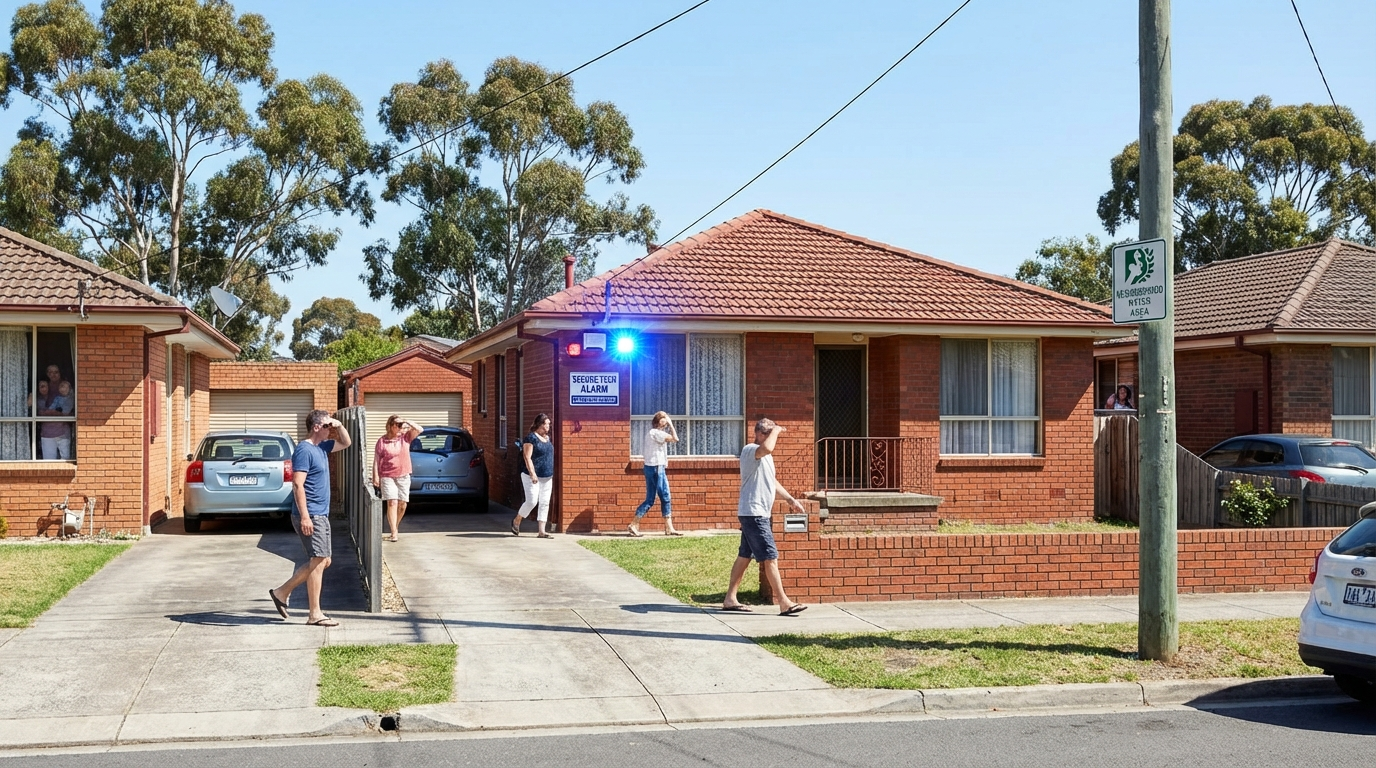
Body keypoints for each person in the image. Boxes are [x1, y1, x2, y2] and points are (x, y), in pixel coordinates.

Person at [269, 409, 351, 627]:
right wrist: (305, 517)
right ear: (316, 427)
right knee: (318, 560)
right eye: (326, 426)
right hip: (311, 514)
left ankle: (281, 592)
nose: (329, 430)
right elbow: (298, 484)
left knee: (324, 560)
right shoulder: (304, 450)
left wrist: (337, 425)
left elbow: (346, 443)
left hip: (320, 513)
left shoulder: (322, 447)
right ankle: (314, 614)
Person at [722, 417, 806, 616]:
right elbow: (767, 448)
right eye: (767, 434)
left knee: (744, 556)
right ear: (758, 434)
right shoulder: (750, 450)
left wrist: (790, 500)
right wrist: (777, 430)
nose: (771, 438)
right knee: (770, 557)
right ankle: (784, 603)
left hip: (757, 513)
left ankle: (730, 599)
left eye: (771, 434)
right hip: (754, 513)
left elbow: (772, 481)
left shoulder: (766, 456)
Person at [628, 411, 681, 537]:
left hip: (649, 467)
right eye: (664, 418)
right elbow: (675, 439)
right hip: (657, 467)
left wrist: (667, 422)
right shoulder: (656, 433)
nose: (666, 420)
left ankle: (635, 524)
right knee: (665, 496)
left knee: (650, 499)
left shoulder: (653, 433)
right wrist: (671, 424)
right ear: (659, 420)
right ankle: (668, 528)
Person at [372, 414, 421, 542]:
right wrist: (375, 476)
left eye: (401, 425)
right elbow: (377, 459)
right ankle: (394, 532)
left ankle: (396, 526)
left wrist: (406, 421)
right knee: (392, 502)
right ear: (390, 426)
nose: (400, 427)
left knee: (402, 504)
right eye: (397, 425)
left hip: (403, 475)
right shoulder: (382, 441)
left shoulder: (405, 438)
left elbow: (420, 429)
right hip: (387, 475)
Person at [512, 413, 554, 538]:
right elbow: (527, 457)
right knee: (532, 501)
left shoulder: (547, 438)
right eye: (547, 424)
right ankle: (517, 520)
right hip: (531, 476)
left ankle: (542, 531)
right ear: (540, 424)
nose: (548, 426)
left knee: (545, 502)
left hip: (547, 476)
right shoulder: (531, 438)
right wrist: (532, 473)